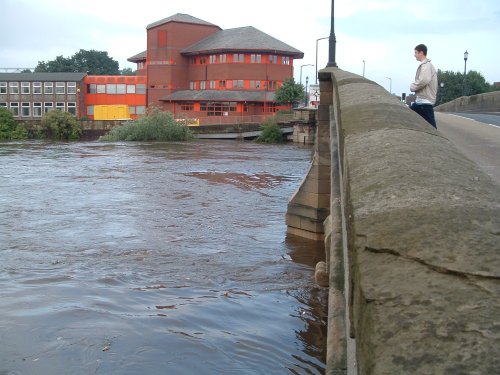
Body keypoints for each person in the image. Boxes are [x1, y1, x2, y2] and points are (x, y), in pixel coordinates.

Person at [410, 44, 438, 128]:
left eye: (415, 52)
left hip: (424, 102)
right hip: (420, 102)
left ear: (421, 52)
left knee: (433, 129)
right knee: (406, 116)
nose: (414, 55)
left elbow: (424, 80)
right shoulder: (426, 65)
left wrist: (413, 87)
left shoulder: (426, 65)